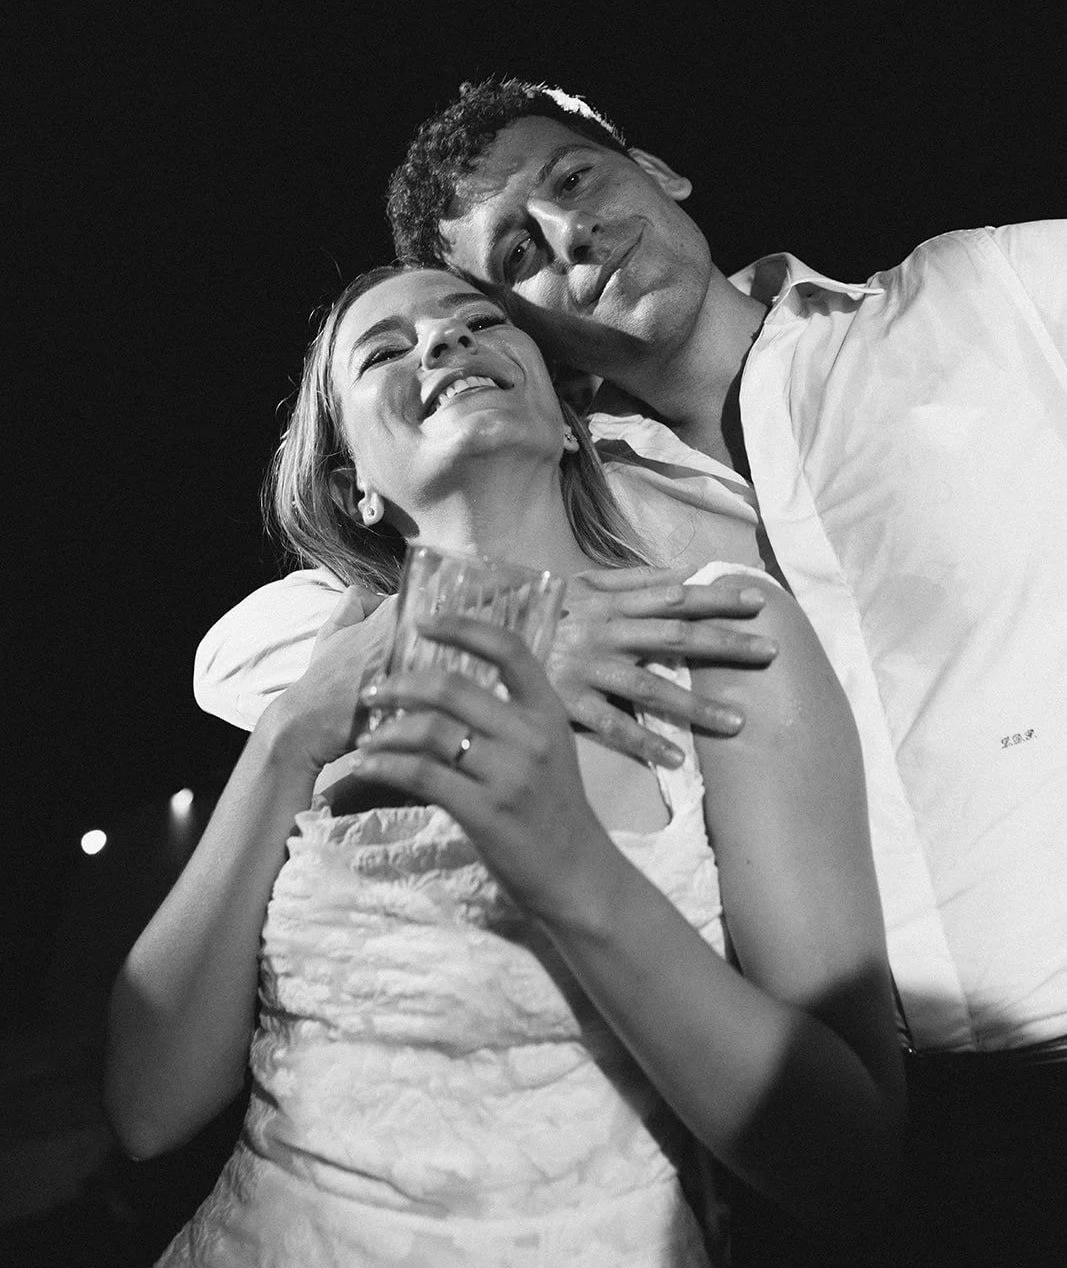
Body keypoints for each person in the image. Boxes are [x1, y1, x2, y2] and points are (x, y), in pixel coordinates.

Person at [195, 79, 1067, 1265]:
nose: (569, 235)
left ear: (657, 169)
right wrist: (509, 626)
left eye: (573, 181)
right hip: (846, 1127)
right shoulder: (572, 491)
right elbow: (239, 651)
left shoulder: (982, 293)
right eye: (517, 250)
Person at [107, 265, 904, 1267]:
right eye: (383, 350)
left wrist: (570, 870)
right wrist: (285, 740)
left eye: (476, 320)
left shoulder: (717, 634)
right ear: (354, 477)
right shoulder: (326, 666)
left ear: (570, 420)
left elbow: (850, 1161)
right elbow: (146, 1105)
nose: (439, 344)